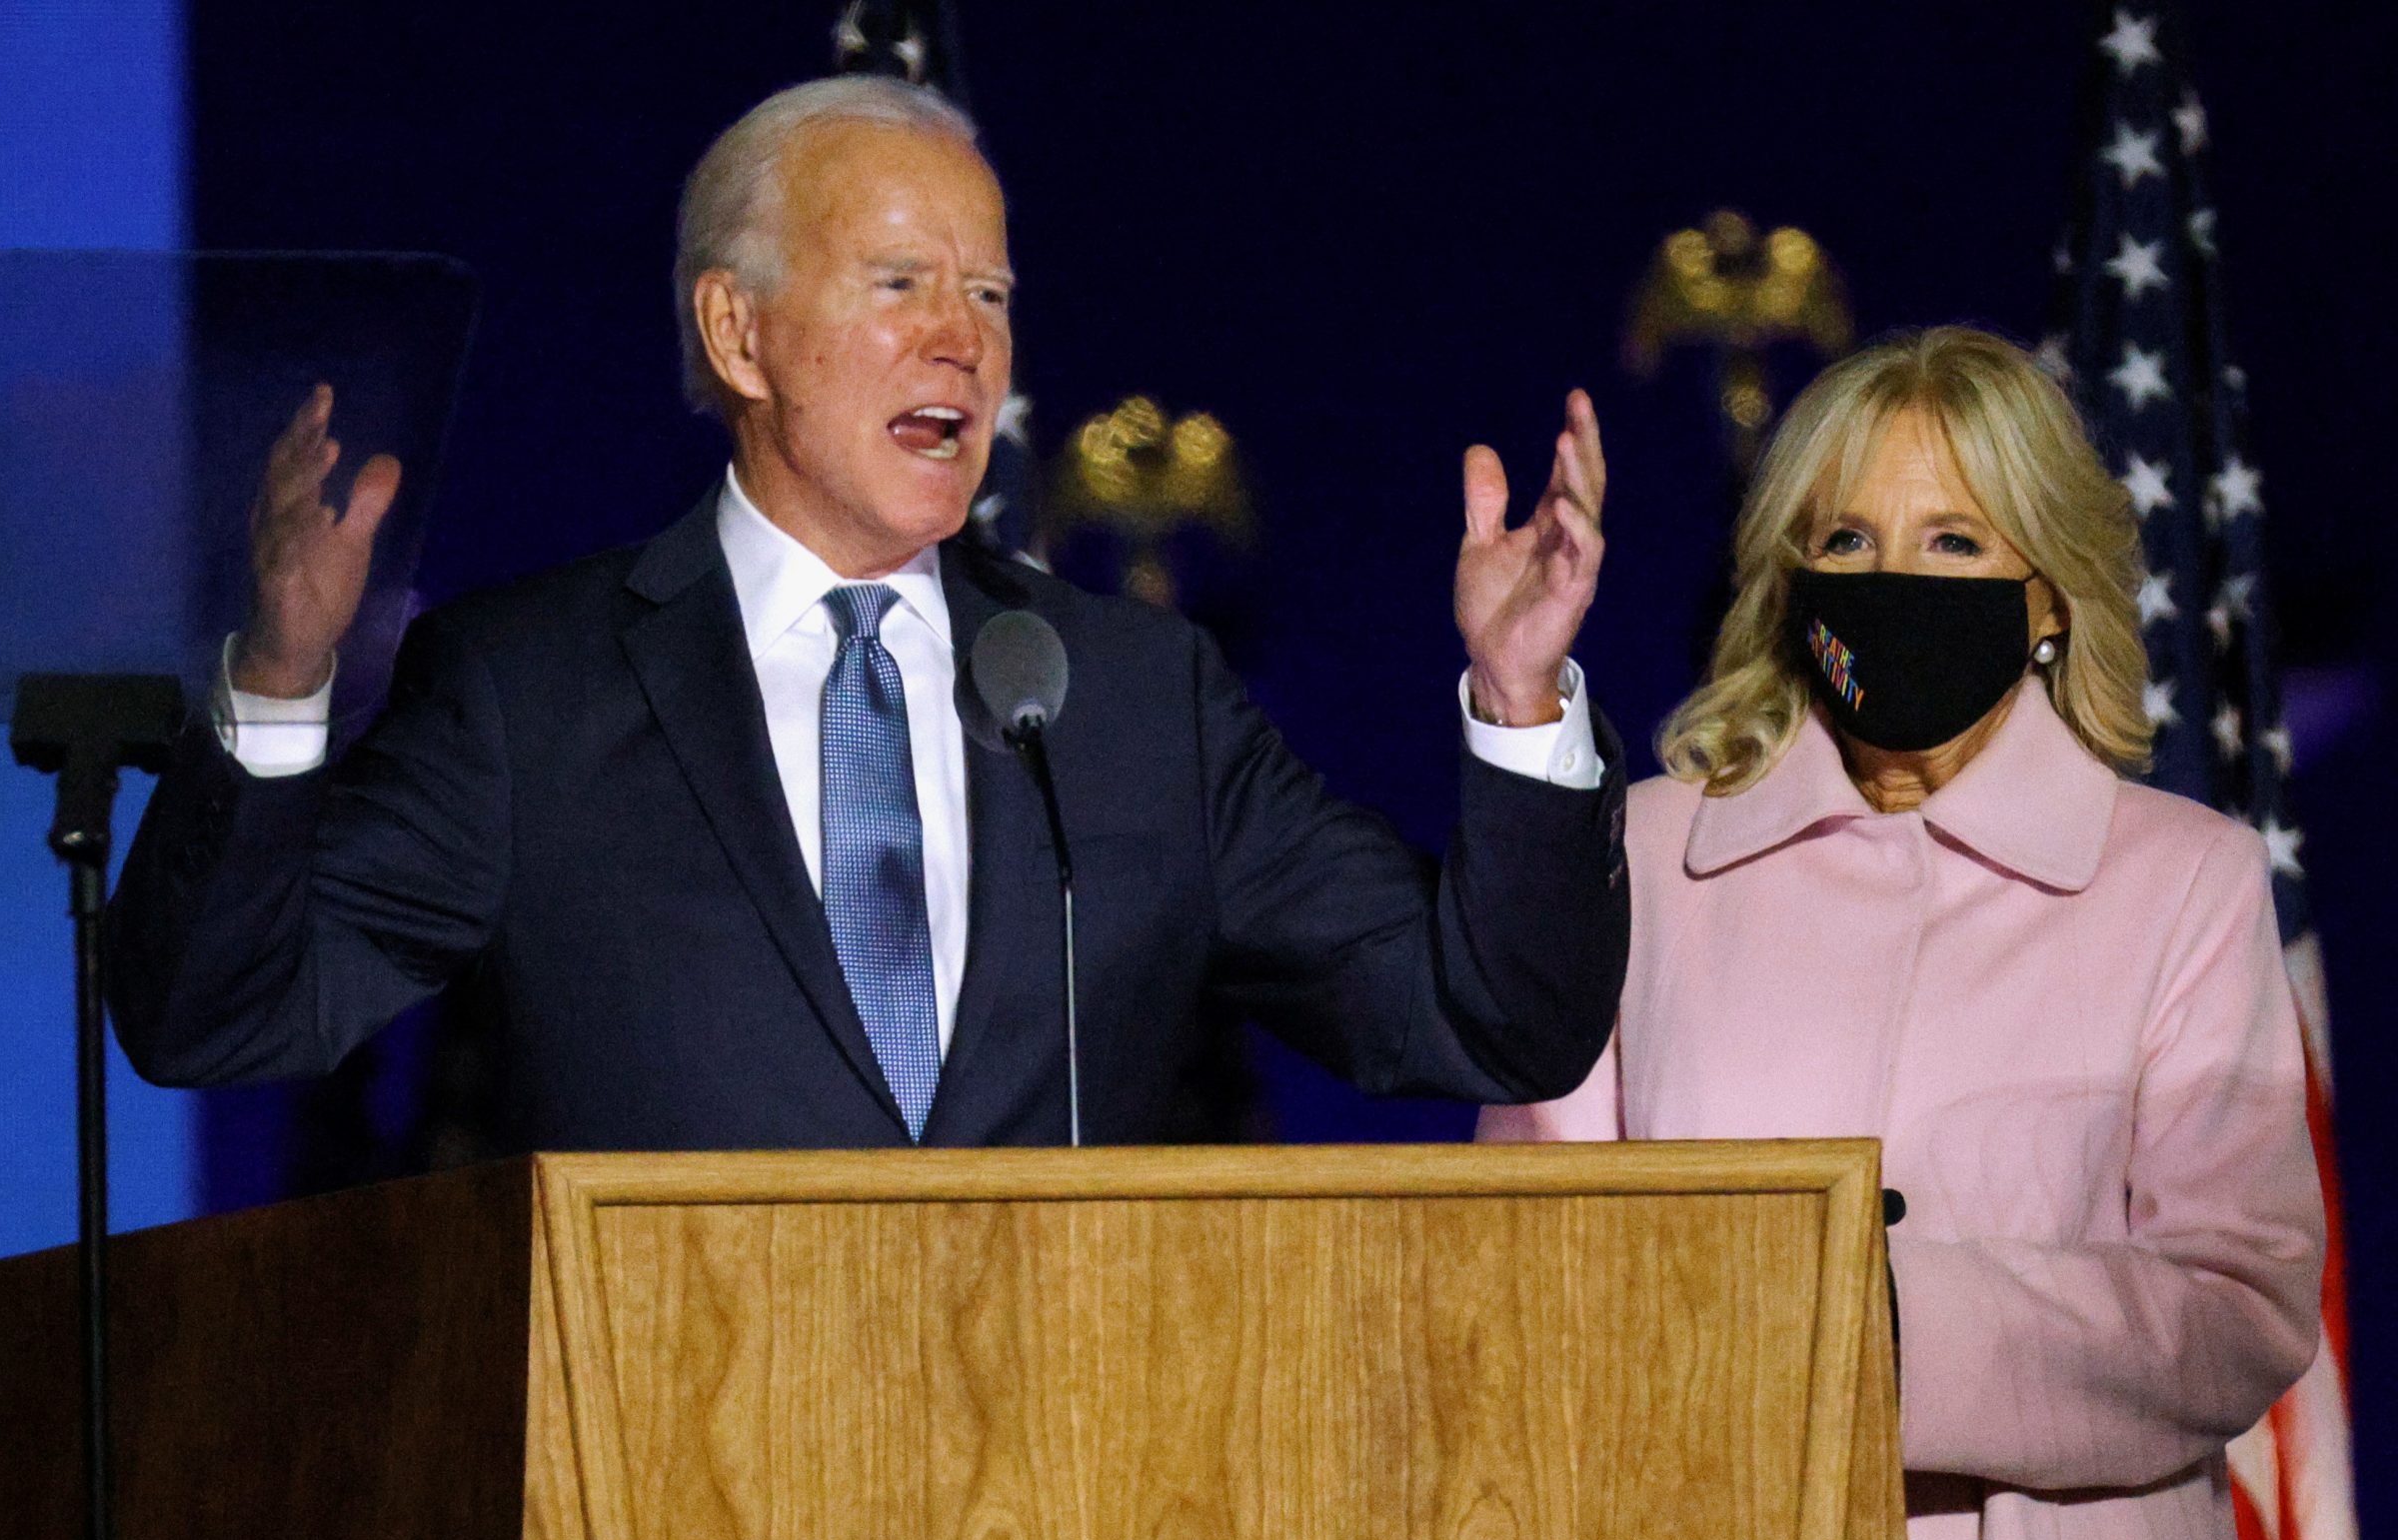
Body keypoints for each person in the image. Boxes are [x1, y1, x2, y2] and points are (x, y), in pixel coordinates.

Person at [109, 75, 1630, 1150]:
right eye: (900, 283)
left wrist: (1520, 704)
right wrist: (280, 682)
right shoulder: (531, 691)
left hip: (1071, 1482)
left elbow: (1491, 1019)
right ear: (739, 332)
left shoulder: (1132, 698)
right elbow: (213, 1019)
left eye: (991, 295)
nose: (962, 342)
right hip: (673, 1485)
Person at [1481, 326, 2324, 1540]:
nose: (1894, 581)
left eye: (1953, 542)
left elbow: (2240, 1304)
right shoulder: (1648, 859)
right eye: (1850, 540)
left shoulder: (2181, 883)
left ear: (2047, 596)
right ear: (1793, 579)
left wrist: (1886, 1320)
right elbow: (1526, 1260)